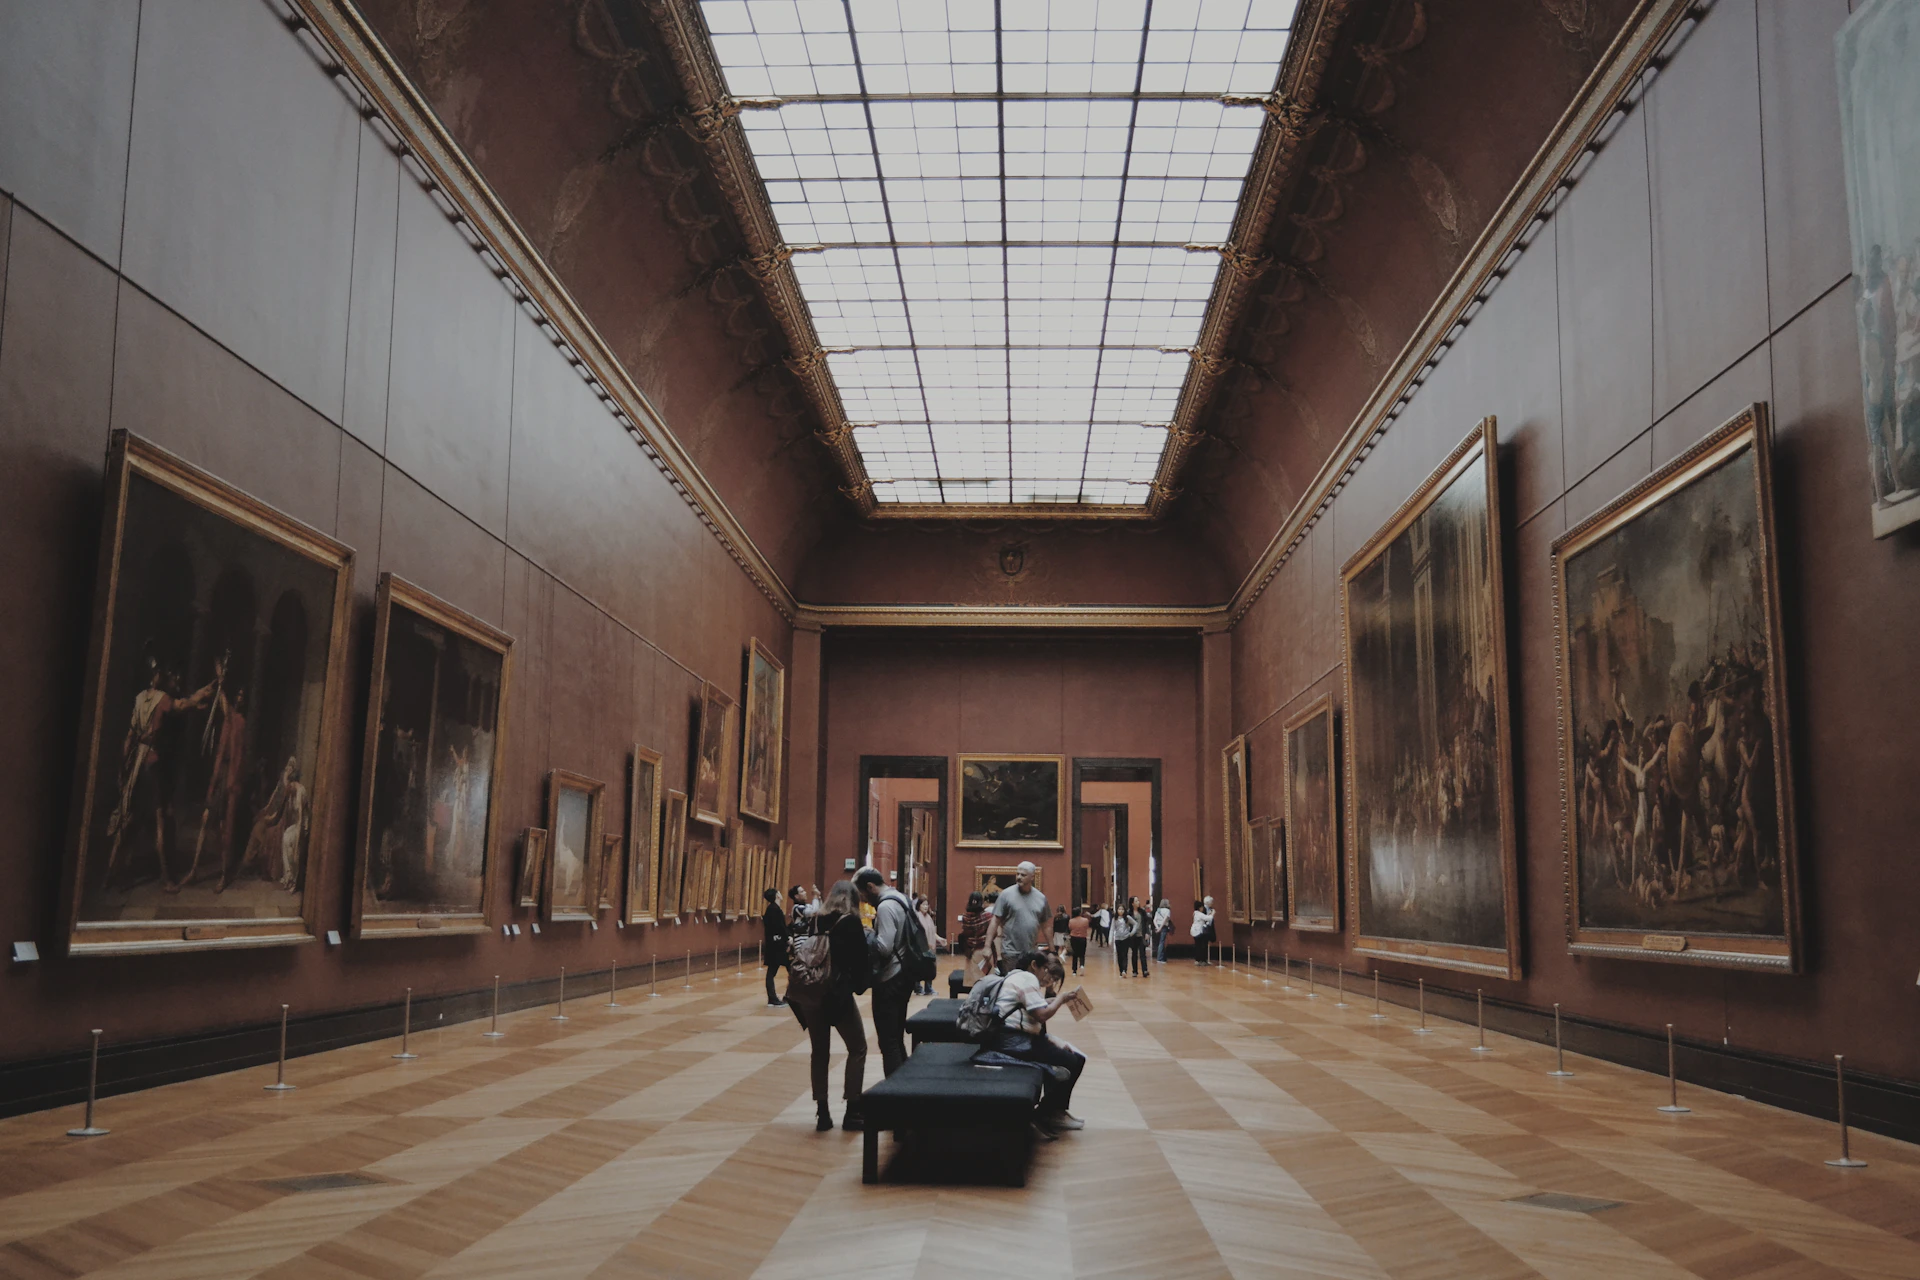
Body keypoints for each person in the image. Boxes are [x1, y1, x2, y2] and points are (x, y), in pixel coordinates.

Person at [793, 880, 869, 1131]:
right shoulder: (850, 922)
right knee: (857, 1047)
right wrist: (860, 985)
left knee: (819, 1052)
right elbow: (860, 962)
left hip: (812, 994)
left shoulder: (816, 919)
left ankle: (823, 1112)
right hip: (838, 995)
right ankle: (853, 1110)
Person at [990, 952, 1087, 1137]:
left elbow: (1034, 1007)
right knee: (1072, 1061)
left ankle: (1055, 1111)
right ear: (1034, 965)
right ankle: (1043, 1113)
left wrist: (1058, 1002)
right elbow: (1041, 1015)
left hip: (1014, 1037)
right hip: (1015, 1041)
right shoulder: (1027, 979)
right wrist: (1061, 999)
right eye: (1044, 969)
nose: (1046, 975)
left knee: (1074, 1058)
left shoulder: (1016, 976)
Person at [855, 866, 915, 1077]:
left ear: (870, 887)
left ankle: (894, 1090)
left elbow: (884, 947)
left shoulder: (886, 906)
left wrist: (867, 935)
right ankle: (904, 1083)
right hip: (905, 974)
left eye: (863, 895)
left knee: (888, 1041)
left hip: (890, 978)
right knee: (896, 1038)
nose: (864, 901)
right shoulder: (902, 898)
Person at [983, 861, 1049, 970]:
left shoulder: (1041, 898)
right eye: (1017, 874)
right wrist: (987, 946)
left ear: (1032, 877)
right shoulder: (1006, 895)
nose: (1019, 877)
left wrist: (1052, 950)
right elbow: (995, 921)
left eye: (1023, 875)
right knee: (1012, 979)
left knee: (1028, 980)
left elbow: (1045, 926)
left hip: (1031, 952)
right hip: (1010, 952)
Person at [911, 894, 946, 996]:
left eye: (927, 905)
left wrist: (939, 939)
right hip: (920, 948)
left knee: (930, 967)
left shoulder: (929, 917)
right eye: (923, 904)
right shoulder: (917, 917)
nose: (925, 907)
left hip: (930, 948)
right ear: (919, 905)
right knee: (919, 967)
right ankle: (918, 988)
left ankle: (928, 988)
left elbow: (932, 931)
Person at [954, 890, 992, 982]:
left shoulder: (965, 917)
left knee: (972, 981)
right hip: (984, 951)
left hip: (970, 952)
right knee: (986, 980)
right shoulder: (987, 916)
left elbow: (965, 933)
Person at [761, 887, 789, 1007]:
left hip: (775, 945)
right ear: (777, 895)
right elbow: (779, 927)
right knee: (775, 971)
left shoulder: (773, 909)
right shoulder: (774, 910)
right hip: (777, 946)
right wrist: (787, 938)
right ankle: (774, 998)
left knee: (773, 971)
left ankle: (779, 997)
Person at [1123, 897, 1151, 978]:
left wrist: (1147, 933)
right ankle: (1135, 971)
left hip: (1141, 935)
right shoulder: (1129, 913)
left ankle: (1145, 970)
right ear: (1132, 903)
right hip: (1133, 936)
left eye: (1138, 900)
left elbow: (1146, 923)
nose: (1138, 902)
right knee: (1134, 953)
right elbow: (1126, 924)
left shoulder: (1142, 912)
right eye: (1136, 901)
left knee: (1142, 953)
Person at [1191, 896, 1216, 964]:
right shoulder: (1199, 914)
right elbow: (1208, 918)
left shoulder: (1196, 913)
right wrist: (1213, 913)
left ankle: (1200, 960)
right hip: (1199, 931)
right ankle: (1201, 960)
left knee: (1199, 945)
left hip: (1197, 931)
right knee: (1201, 945)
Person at [1067, 906, 1090, 974]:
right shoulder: (1085, 920)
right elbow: (1086, 927)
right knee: (1082, 953)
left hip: (1074, 938)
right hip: (1083, 937)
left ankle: (1074, 970)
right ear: (1080, 913)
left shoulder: (1071, 921)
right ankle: (1082, 965)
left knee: (1074, 954)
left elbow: (1070, 928)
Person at [1152, 898, 1173, 963]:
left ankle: (1163, 957)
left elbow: (1154, 920)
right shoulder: (1168, 911)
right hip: (1163, 927)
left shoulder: (1158, 910)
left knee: (1160, 942)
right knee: (1162, 942)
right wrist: (1160, 928)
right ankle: (1160, 958)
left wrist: (1157, 927)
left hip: (1157, 926)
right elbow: (1165, 920)